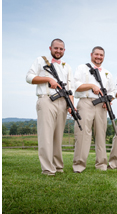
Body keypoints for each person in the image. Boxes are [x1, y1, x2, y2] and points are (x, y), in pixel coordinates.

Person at [26, 38, 74, 176]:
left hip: (63, 102)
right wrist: (48, 79)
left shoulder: (67, 66)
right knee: (46, 136)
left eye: (61, 49)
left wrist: (71, 105)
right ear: (50, 48)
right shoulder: (40, 61)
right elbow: (29, 77)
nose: (58, 51)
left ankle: (58, 166)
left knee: (58, 137)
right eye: (56, 48)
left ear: (64, 50)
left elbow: (70, 88)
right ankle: (48, 169)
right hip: (46, 100)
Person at [71, 46, 114, 173]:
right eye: (96, 54)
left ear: (104, 57)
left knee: (101, 135)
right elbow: (75, 86)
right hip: (86, 102)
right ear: (91, 55)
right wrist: (91, 86)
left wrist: (109, 100)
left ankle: (101, 165)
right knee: (83, 134)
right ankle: (79, 165)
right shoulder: (82, 68)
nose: (99, 57)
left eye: (101, 55)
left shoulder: (107, 73)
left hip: (102, 106)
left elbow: (112, 91)